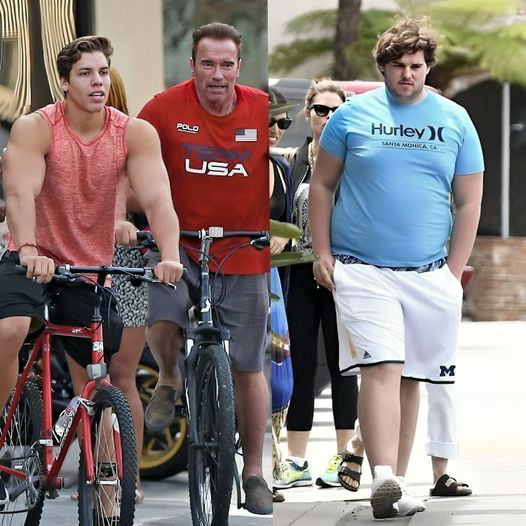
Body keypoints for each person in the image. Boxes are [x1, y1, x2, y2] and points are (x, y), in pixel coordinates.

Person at [309, 17, 484, 519]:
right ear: (382, 67)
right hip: (362, 268)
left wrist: (453, 272)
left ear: (428, 66)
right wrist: (323, 252)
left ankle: (396, 485)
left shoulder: (455, 119)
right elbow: (322, 186)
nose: (407, 74)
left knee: (412, 378)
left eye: (416, 66)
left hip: (430, 273)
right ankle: (382, 476)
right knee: (381, 366)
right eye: (398, 66)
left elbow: (469, 201)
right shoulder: (351, 117)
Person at [0, 35, 184, 504]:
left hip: (87, 267)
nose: (97, 81)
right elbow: (21, 194)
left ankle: (107, 492)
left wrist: (169, 255)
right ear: (64, 82)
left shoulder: (134, 133)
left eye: (103, 72)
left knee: (95, 383)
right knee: (10, 329)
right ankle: (2, 429)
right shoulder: (35, 128)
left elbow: (160, 199)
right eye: (85, 73)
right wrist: (26, 248)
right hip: (30, 256)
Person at [137, 23, 271, 515]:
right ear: (191, 64)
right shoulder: (161, 109)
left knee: (248, 365)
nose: (217, 74)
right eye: (207, 64)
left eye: (227, 64)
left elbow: (282, 171)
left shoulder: (260, 108)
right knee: (163, 315)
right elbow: (129, 167)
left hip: (243, 249)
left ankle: (254, 471)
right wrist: (120, 220)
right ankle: (170, 378)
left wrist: (281, 224)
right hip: (179, 245)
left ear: (239, 66)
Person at [273, 79, 360, 491]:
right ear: (308, 114)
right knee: (300, 365)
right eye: (321, 110)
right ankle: (296, 460)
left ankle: (344, 458)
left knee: (345, 366)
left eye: (335, 111)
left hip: (342, 273)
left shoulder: (354, 160)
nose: (327, 118)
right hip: (300, 272)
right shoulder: (291, 163)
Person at [106, 67, 149, 505]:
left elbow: (149, 196)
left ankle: (128, 477)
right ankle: (103, 477)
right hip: (77, 260)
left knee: (122, 376)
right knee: (91, 381)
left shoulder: (132, 139)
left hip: (124, 263)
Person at [268, 86, 294, 504]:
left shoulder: (281, 168)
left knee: (279, 368)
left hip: (273, 279)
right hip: (231, 270)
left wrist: (285, 242)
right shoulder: (233, 164)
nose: (277, 128)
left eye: (283, 121)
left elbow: (293, 227)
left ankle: (276, 462)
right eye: (270, 120)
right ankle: (266, 464)